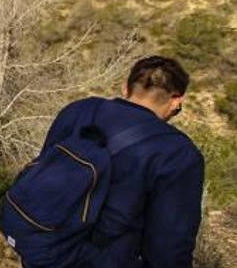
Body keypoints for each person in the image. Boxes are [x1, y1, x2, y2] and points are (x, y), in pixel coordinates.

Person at [32, 56, 203, 267]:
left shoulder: (78, 110)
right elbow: (169, 244)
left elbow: (42, 170)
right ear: (176, 101)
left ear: (125, 88)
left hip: (43, 247)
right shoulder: (177, 153)